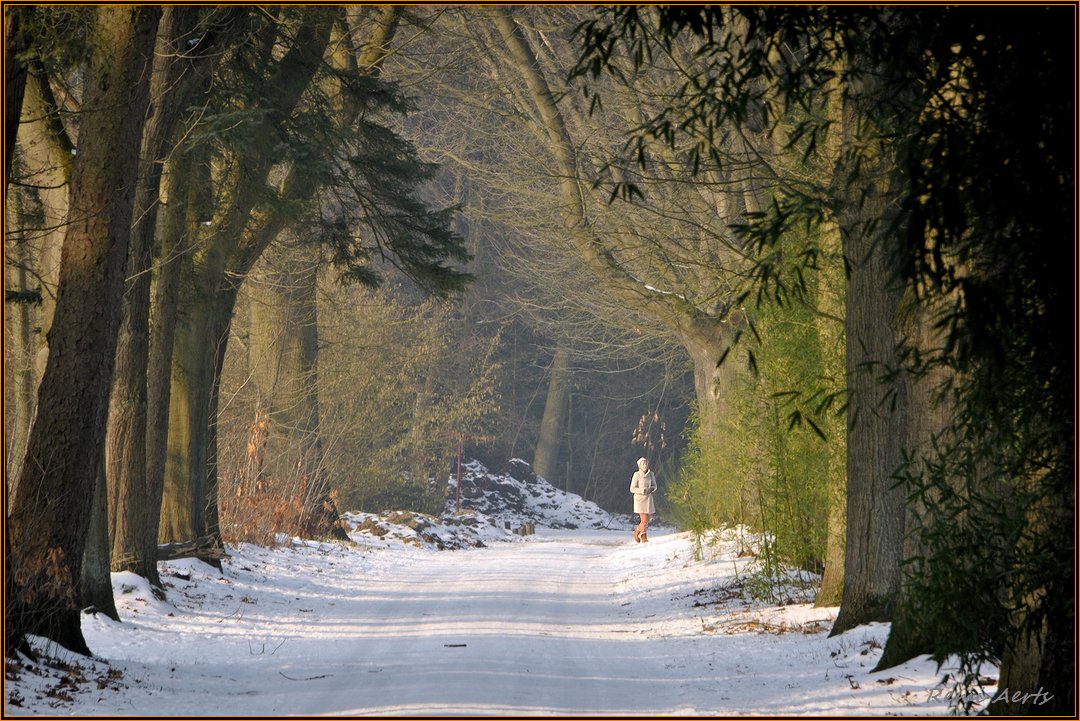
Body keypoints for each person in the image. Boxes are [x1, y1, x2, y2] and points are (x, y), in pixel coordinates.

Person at [629, 457, 657, 543]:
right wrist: (642, 491)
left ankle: (638, 531)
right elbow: (632, 488)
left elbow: (655, 486)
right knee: (644, 520)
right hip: (640, 500)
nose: (645, 465)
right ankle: (643, 536)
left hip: (648, 499)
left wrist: (652, 489)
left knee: (647, 519)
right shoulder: (636, 474)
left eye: (646, 463)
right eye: (643, 464)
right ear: (639, 466)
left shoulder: (651, 474)